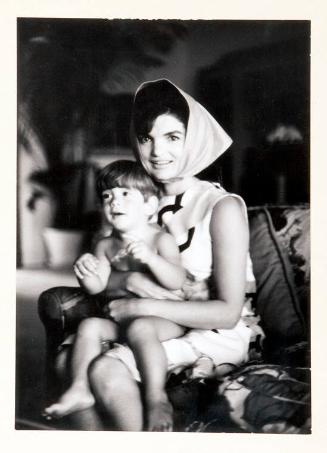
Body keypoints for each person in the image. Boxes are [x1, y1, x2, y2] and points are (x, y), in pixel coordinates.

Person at [71, 79, 262, 432]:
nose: (157, 151)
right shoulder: (136, 198)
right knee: (70, 361)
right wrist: (129, 279)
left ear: (195, 140)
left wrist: (142, 305)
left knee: (104, 369)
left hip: (214, 331)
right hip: (159, 326)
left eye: (172, 137)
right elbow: (108, 262)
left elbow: (228, 311)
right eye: (147, 138)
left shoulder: (221, 206)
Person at [43, 160, 188, 422]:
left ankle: (157, 397)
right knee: (88, 326)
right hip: (122, 321)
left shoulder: (160, 240)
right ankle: (79, 389)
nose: (114, 202)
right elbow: (97, 288)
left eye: (125, 194)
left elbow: (177, 280)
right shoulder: (105, 245)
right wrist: (86, 273)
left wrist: (152, 259)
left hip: (166, 322)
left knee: (140, 327)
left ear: (150, 206)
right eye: (107, 196)